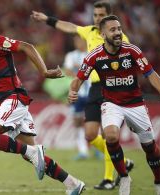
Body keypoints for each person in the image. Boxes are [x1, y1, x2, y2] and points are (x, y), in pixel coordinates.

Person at [0, 8, 85, 195]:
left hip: (14, 98)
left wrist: (44, 72)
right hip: (5, 102)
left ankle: (33, 153)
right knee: (31, 155)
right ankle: (72, 183)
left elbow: (27, 46)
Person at [31, 1, 134, 189]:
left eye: (101, 15)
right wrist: (47, 20)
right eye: (95, 15)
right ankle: (124, 161)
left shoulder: (120, 37)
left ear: (110, 17)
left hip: (112, 87)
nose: (97, 19)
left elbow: (128, 62)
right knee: (90, 134)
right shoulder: (90, 32)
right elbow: (69, 27)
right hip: (95, 88)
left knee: (108, 134)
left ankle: (109, 179)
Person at [68, 15, 160, 195]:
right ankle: (123, 176)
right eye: (113, 30)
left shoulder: (132, 51)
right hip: (112, 104)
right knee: (111, 137)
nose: (118, 33)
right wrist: (72, 91)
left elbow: (150, 73)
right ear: (102, 34)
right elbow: (78, 79)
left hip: (136, 104)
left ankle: (159, 182)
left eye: (119, 29)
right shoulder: (95, 56)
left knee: (150, 147)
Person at [62, 35, 91, 160]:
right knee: (78, 122)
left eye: (79, 40)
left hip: (91, 93)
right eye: (75, 41)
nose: (77, 43)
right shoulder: (70, 55)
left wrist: (78, 72)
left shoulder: (91, 54)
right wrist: (83, 75)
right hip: (76, 94)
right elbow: (67, 71)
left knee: (94, 121)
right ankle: (83, 151)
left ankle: (98, 149)